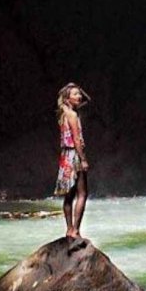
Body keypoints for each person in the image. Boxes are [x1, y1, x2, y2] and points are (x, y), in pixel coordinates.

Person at [54, 82, 91, 238]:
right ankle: (76, 230)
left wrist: (72, 88)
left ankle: (69, 229)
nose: (80, 96)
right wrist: (83, 159)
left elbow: (86, 100)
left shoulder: (63, 113)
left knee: (69, 195)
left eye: (79, 93)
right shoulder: (73, 115)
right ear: (68, 99)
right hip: (75, 155)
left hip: (65, 156)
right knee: (82, 194)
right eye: (75, 94)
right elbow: (76, 139)